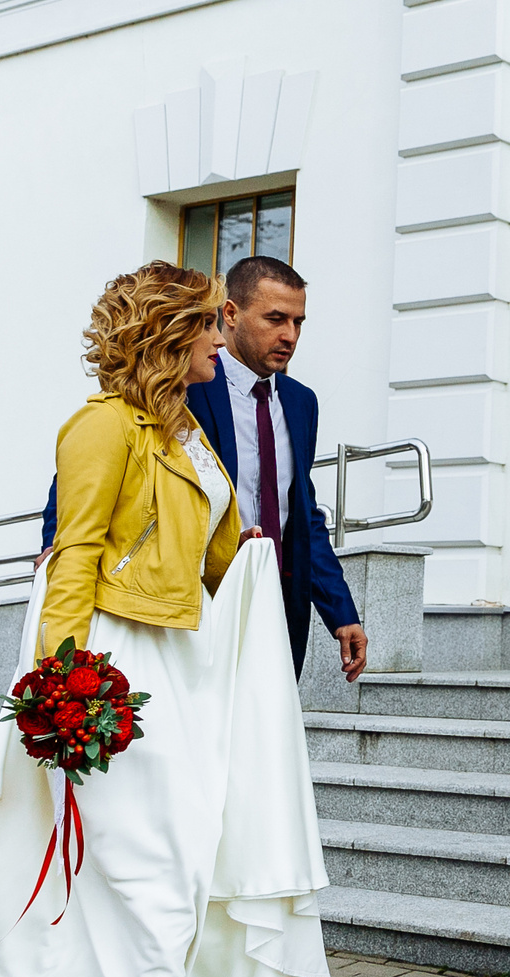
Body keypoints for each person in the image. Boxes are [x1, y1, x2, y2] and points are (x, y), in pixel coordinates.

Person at [0, 263, 331, 977]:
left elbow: (219, 550)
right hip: (117, 665)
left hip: (185, 664)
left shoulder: (181, 430)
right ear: (168, 334)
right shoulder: (101, 428)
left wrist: (257, 575)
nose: (223, 340)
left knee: (153, 866)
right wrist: (62, 687)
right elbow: (71, 559)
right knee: (152, 866)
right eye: (208, 329)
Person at [45, 254, 366, 682]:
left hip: (275, 598)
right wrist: (57, 555)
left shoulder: (301, 402)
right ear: (230, 314)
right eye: (275, 319)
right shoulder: (181, 391)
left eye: (298, 322)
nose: (289, 335)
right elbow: (80, 492)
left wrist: (339, 608)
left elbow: (302, 511)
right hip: (180, 610)